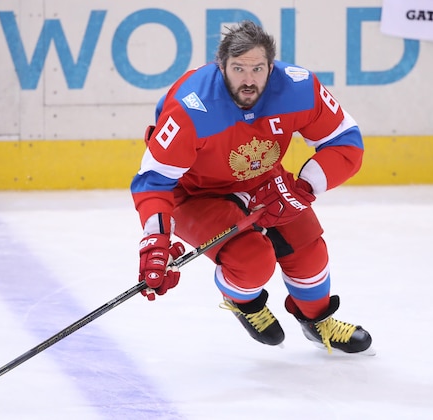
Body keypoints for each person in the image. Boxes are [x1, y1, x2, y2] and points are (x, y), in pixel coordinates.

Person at [131, 20, 372, 354]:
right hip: (197, 194)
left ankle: (318, 320)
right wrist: (156, 241)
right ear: (222, 67)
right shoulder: (192, 106)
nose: (248, 79)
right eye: (238, 68)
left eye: (257, 68)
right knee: (251, 261)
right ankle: (244, 302)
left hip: (264, 181)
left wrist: (302, 188)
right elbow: (154, 179)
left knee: (309, 253)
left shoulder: (298, 88)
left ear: (271, 67)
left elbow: (345, 142)